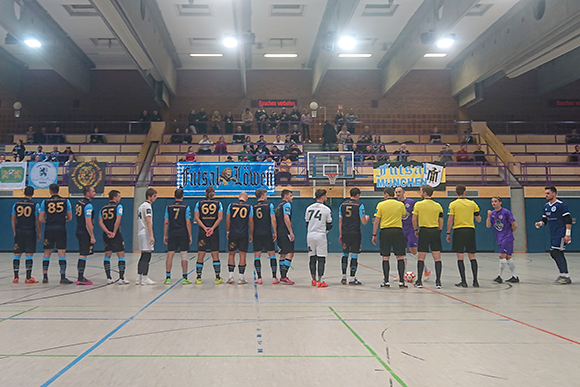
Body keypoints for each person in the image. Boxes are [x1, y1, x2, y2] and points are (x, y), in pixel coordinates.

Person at [535, 186, 573, 285]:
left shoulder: (560, 205)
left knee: (556, 252)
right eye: (545, 193)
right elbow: (545, 220)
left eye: (548, 193)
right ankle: (563, 275)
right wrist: (540, 223)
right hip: (553, 233)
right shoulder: (546, 206)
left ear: (554, 194)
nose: (546, 195)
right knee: (556, 253)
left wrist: (567, 234)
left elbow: (568, 219)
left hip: (560, 232)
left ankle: (565, 276)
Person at [446, 184, 482, 288]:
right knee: (472, 256)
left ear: (456, 192)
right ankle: (475, 281)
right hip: (470, 230)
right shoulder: (472, 204)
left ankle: (464, 281)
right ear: (465, 192)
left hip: (459, 230)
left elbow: (450, 220)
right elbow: (478, 219)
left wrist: (448, 233)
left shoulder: (453, 204)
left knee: (460, 256)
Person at [372, 187, 407, 288]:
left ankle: (386, 281)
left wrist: (374, 234)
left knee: (385, 257)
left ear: (386, 194)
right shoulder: (401, 204)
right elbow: (404, 215)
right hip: (397, 231)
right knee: (400, 257)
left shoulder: (381, 205)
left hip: (385, 231)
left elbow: (377, 220)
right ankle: (401, 281)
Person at [39, 184, 73, 284]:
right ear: (59, 190)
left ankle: (45, 277)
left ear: (50, 191)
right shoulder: (66, 201)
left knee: (47, 253)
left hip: (49, 228)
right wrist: (62, 220)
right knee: (61, 252)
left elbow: (41, 218)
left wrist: (49, 221)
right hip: (61, 228)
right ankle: (62, 277)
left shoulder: (45, 202)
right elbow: (70, 217)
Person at [411, 185, 444, 289]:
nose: (420, 193)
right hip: (434, 231)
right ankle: (438, 282)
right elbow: (441, 220)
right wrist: (439, 230)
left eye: (421, 191)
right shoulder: (437, 205)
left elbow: (413, 219)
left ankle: (419, 281)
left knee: (421, 257)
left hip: (424, 231)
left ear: (425, 193)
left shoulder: (418, 205)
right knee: (437, 258)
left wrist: (416, 230)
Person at [339, 188, 370, 285]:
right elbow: (363, 222)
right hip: (355, 233)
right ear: (357, 195)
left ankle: (344, 277)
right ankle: (352, 278)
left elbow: (340, 221)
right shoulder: (359, 205)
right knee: (354, 254)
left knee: (344, 254)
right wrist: (367, 218)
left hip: (345, 232)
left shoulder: (342, 205)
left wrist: (341, 234)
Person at [194, 186, 224, 284]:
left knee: (200, 254)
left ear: (205, 193)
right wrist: (212, 228)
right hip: (214, 232)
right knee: (215, 254)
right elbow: (220, 218)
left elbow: (196, 217)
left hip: (203, 232)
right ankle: (217, 277)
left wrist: (204, 228)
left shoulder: (199, 203)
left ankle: (198, 278)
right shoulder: (218, 204)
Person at [12, 186, 41, 284]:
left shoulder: (16, 204)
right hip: (30, 231)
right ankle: (28, 277)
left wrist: (15, 231)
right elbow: (38, 220)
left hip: (19, 231)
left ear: (24, 193)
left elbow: (13, 219)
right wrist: (39, 232)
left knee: (17, 254)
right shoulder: (35, 205)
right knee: (29, 254)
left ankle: (16, 277)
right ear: (33, 194)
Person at [487, 197, 519, 284]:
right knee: (508, 257)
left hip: (506, 237)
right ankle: (515, 276)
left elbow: (514, 224)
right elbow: (488, 225)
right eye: (492, 202)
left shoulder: (506, 212)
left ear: (500, 202)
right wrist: (489, 215)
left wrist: (509, 234)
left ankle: (500, 276)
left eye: (495, 201)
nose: (493, 203)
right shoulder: (493, 214)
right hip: (499, 238)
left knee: (502, 256)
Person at [98, 190, 128, 284]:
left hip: (106, 235)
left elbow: (100, 222)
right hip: (116, 234)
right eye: (119, 196)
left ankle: (109, 278)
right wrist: (114, 232)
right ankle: (121, 278)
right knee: (121, 255)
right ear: (114, 197)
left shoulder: (103, 208)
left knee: (107, 255)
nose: (120, 198)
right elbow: (118, 220)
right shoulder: (118, 207)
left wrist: (107, 231)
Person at [164, 188, 193, 285]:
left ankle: (168, 277)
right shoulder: (186, 207)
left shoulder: (169, 207)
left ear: (174, 196)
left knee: (170, 255)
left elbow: (166, 222)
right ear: (183, 196)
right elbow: (188, 222)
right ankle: (185, 277)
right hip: (182, 233)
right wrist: (190, 235)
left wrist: (165, 234)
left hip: (172, 232)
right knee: (184, 255)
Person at [305, 189, 333, 288]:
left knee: (312, 257)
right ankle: (320, 281)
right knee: (321, 258)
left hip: (310, 235)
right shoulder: (326, 209)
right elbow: (329, 225)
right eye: (325, 196)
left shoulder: (309, 208)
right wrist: (325, 231)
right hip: (320, 235)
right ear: (322, 197)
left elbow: (307, 223)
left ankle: (313, 280)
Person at [225, 192, 253, 284]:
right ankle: (241, 278)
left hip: (233, 233)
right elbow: (251, 221)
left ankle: (230, 277)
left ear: (238, 197)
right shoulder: (249, 207)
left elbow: (227, 219)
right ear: (246, 197)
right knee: (242, 255)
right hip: (243, 234)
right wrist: (251, 234)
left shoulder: (231, 205)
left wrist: (228, 231)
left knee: (231, 254)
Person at [252, 189, 278, 284]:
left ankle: (259, 278)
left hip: (257, 233)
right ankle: (274, 277)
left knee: (257, 256)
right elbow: (273, 219)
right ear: (262, 196)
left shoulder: (253, 207)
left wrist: (251, 234)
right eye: (266, 195)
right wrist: (275, 231)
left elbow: (251, 221)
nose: (267, 197)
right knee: (272, 254)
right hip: (267, 232)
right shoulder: (269, 205)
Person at [395, 187, 421, 273]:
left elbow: (415, 215)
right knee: (402, 252)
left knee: (413, 249)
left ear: (403, 192)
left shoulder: (411, 202)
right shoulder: (395, 203)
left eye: (399, 192)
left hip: (410, 229)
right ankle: (402, 273)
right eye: (396, 192)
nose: (398, 194)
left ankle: (425, 269)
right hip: (400, 229)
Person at [75, 186, 96, 285]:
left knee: (83, 254)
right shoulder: (88, 205)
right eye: (92, 191)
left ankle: (81, 276)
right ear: (87, 193)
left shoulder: (79, 203)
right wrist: (92, 235)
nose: (94, 193)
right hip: (84, 231)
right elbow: (88, 222)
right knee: (83, 254)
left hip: (79, 229)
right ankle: (80, 277)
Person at [136, 188, 158, 285]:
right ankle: (144, 277)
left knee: (143, 255)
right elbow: (148, 221)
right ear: (149, 196)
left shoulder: (141, 206)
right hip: (145, 232)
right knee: (147, 255)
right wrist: (152, 235)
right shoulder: (147, 207)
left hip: (140, 231)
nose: (156, 198)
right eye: (154, 196)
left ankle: (139, 277)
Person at [276, 189, 295, 284]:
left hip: (279, 232)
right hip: (285, 232)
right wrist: (290, 232)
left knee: (282, 254)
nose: (292, 197)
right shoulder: (286, 205)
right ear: (286, 196)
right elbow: (286, 218)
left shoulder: (278, 206)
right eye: (290, 195)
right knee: (290, 253)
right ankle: (284, 276)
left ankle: (282, 276)